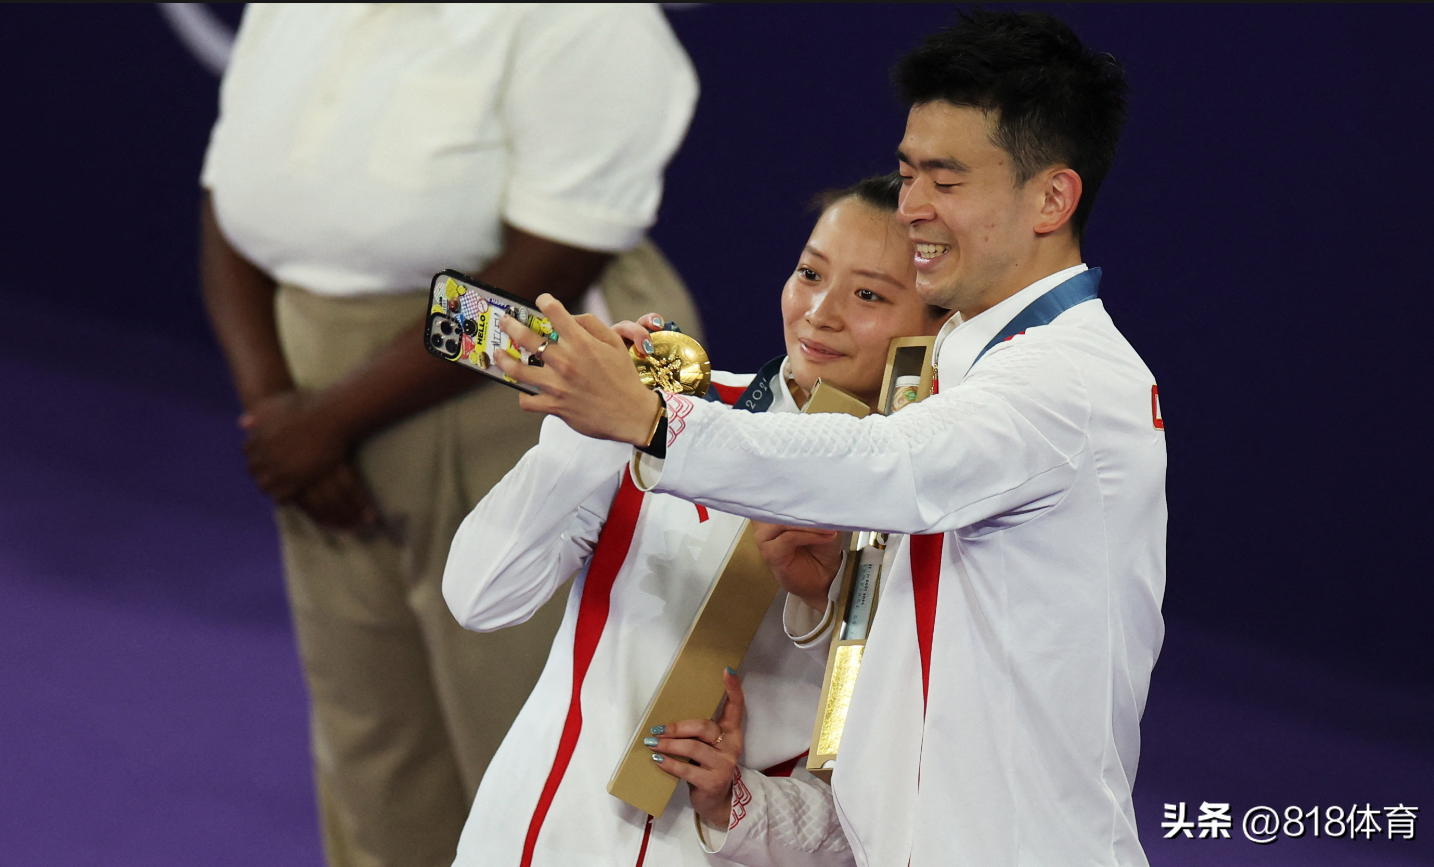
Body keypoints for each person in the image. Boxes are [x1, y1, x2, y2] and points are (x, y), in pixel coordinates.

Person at [491, 10, 1165, 867]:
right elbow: (882, 783)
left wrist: (650, 417)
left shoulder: (1063, 383)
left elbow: (889, 466)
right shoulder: (955, 371)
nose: (912, 208)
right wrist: (805, 638)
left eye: (947, 182)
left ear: (1052, 198)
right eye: (908, 171)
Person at [197, 5, 699, 866]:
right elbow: (233, 198)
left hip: (513, 389)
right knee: (371, 738)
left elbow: (558, 261)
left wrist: (328, 421)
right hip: (309, 392)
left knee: (535, 740)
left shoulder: (590, 21)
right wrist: (275, 403)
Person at [441, 175, 950, 867]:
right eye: (809, 273)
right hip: (528, 840)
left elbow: (876, 823)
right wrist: (589, 424)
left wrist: (734, 800)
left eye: (869, 295)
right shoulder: (677, 416)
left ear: (939, 327)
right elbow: (480, 597)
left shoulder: (931, 520)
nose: (819, 313)